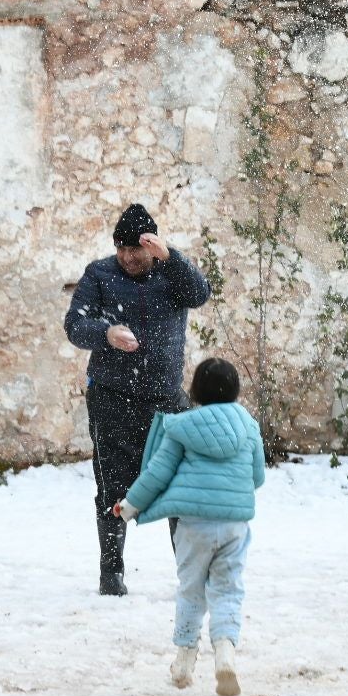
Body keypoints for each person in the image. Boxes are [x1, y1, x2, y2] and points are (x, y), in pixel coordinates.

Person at [63, 203, 212, 596]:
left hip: (166, 401)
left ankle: (189, 576)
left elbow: (200, 294)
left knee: (179, 489)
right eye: (122, 248)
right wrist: (107, 333)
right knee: (113, 489)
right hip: (112, 398)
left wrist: (172, 257)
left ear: (154, 247)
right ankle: (111, 575)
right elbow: (75, 325)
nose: (129, 257)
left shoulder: (171, 274)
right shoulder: (100, 274)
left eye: (138, 249)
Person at [116, 358, 264, 696]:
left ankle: (183, 661)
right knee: (228, 590)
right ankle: (225, 654)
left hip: (193, 527)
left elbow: (156, 474)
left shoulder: (180, 427)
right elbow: (258, 476)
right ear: (236, 390)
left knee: (191, 590)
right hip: (234, 526)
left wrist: (129, 506)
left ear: (195, 391)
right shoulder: (248, 426)